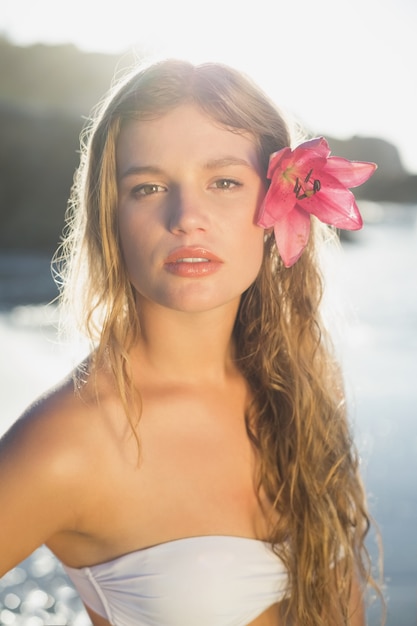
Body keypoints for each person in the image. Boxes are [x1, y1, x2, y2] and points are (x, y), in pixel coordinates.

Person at [0, 58, 382, 626]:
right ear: (111, 216)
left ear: (279, 204)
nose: (187, 218)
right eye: (148, 187)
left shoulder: (296, 389)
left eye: (224, 181)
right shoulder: (70, 442)